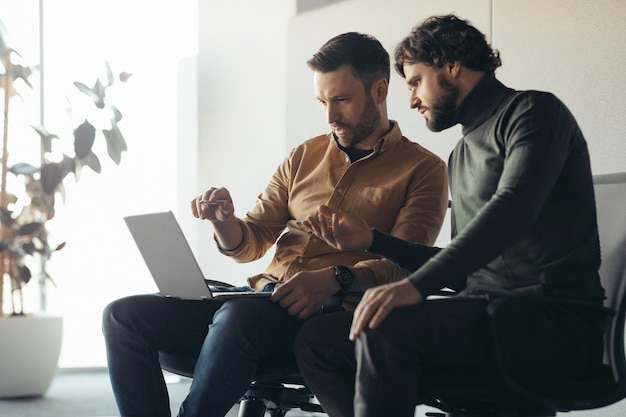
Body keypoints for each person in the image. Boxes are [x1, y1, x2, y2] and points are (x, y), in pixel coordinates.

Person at [102, 32, 448, 417]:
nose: (330, 116)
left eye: (342, 100)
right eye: (322, 102)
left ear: (380, 91)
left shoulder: (424, 169)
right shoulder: (304, 154)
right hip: (259, 297)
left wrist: (336, 276)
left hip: (328, 313)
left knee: (235, 319)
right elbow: (251, 241)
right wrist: (224, 221)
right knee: (122, 316)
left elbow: (407, 264)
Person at [295, 14, 608, 417]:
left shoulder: (533, 112)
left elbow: (513, 208)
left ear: (451, 65)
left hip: (552, 321)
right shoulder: (460, 154)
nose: (410, 100)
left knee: (384, 324)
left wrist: (414, 287)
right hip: (484, 310)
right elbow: (464, 270)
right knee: (319, 341)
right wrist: (373, 240)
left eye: (414, 81)